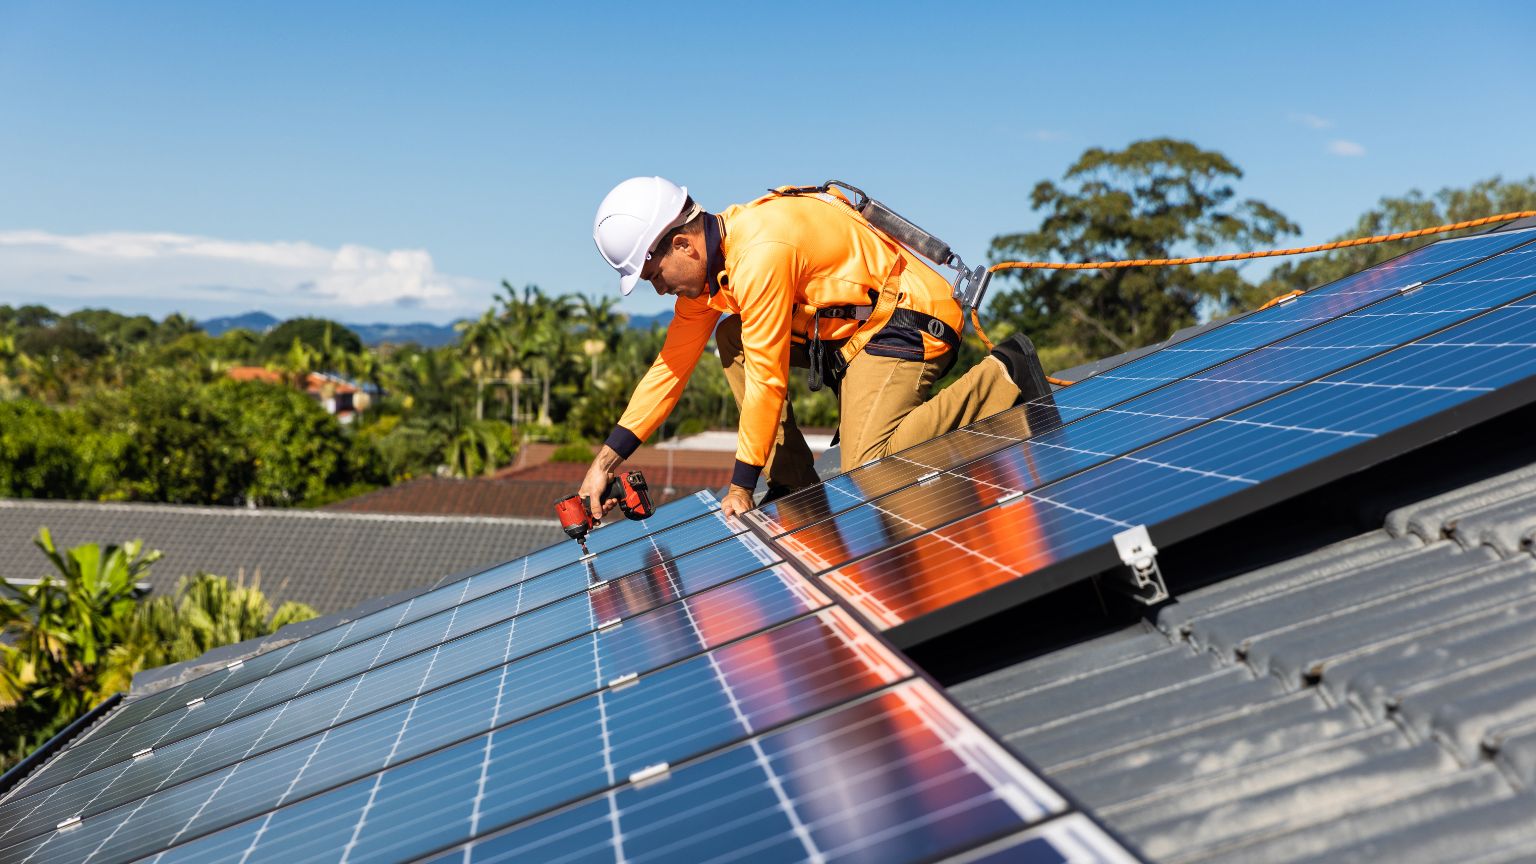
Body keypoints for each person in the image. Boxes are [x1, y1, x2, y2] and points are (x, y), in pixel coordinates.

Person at [579, 176, 1045, 519]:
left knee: (870, 465)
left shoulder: (760, 252)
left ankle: (1004, 373)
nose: (659, 290)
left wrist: (741, 485)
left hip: (907, 319)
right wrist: (604, 463)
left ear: (684, 245)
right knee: (730, 335)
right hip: (853, 338)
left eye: (655, 276)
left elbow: (767, 378)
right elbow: (670, 369)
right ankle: (794, 483)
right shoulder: (710, 279)